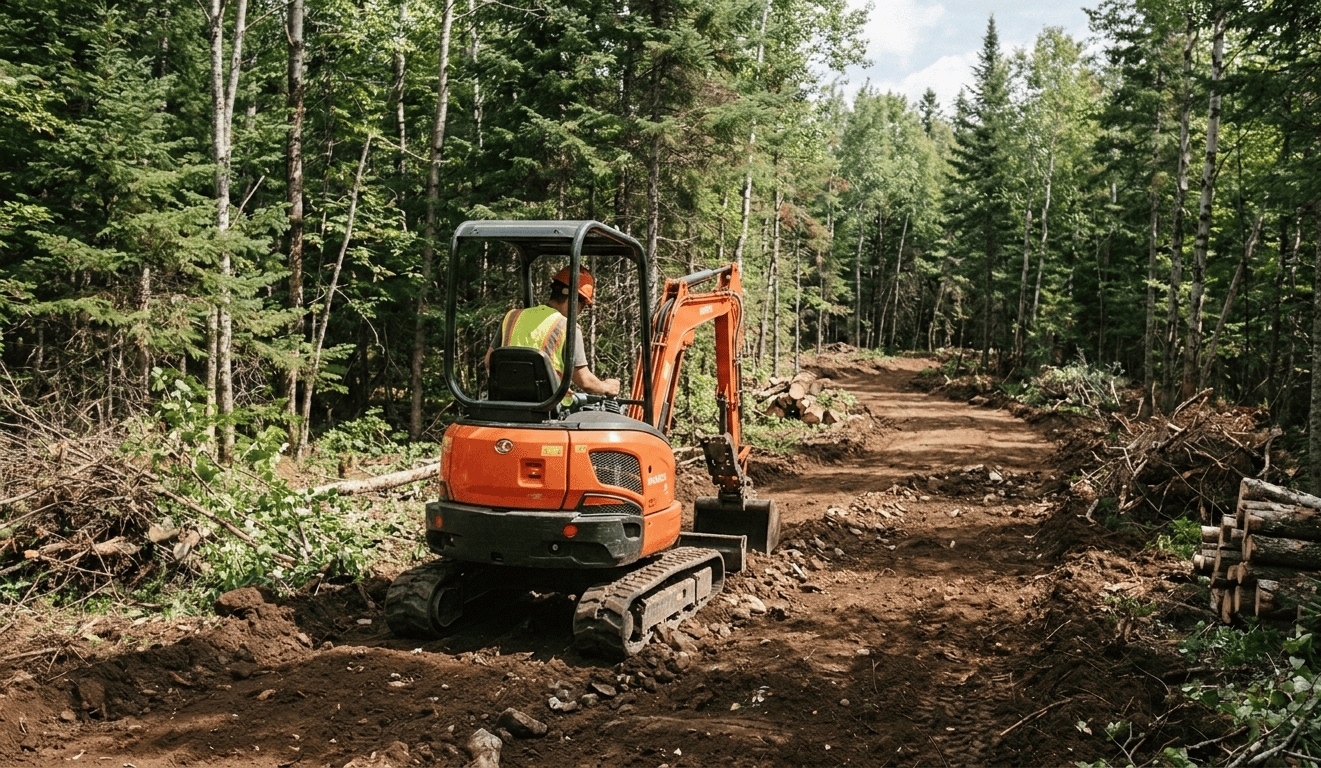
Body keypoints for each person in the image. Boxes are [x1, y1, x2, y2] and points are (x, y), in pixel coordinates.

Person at [486, 266, 621, 397]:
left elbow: (488, 361)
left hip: (506, 403)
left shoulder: (512, 317)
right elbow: (585, 381)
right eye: (583, 306)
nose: (580, 312)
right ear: (574, 300)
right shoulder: (568, 327)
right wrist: (607, 387)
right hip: (549, 408)